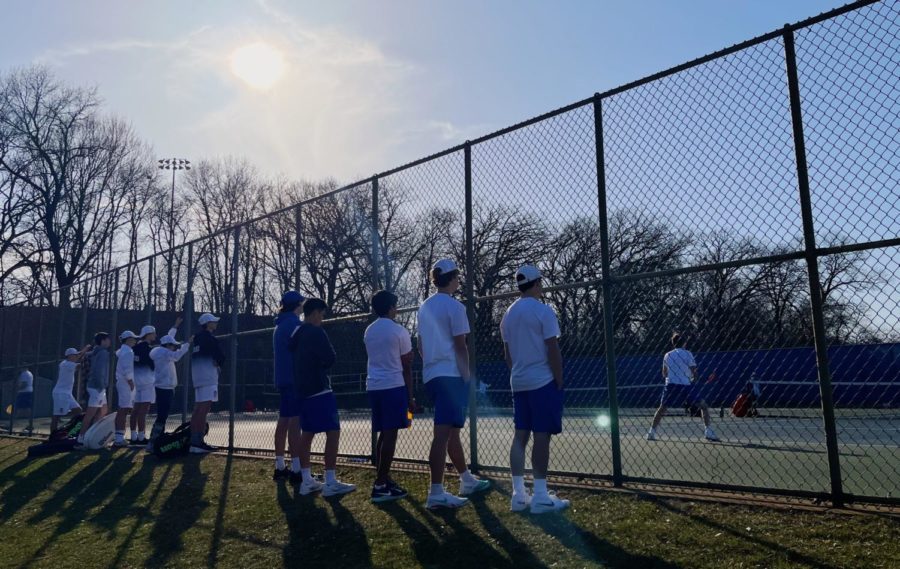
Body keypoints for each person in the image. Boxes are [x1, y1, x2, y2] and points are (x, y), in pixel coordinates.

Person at [417, 259, 489, 510]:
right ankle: (435, 493)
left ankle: (466, 479)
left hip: (433, 375)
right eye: (457, 276)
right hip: (450, 375)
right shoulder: (455, 308)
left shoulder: (424, 306)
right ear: (451, 278)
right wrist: (467, 377)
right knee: (441, 435)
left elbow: (421, 346)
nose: (460, 280)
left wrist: (432, 367)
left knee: (451, 433)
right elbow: (461, 346)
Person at [501, 265, 570, 514]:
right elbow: (552, 349)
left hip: (518, 382)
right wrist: (559, 378)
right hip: (542, 382)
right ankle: (540, 496)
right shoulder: (543, 312)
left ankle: (519, 496)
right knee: (542, 435)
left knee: (520, 435)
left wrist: (518, 373)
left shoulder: (508, 314)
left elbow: (507, 354)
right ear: (537, 283)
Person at [291, 298, 355, 497]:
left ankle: (306, 479)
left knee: (307, 432)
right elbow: (330, 358)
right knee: (333, 431)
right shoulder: (316, 332)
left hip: (302, 389)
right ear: (316, 313)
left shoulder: (297, 333)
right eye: (322, 314)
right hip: (319, 388)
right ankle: (330, 481)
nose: (322, 319)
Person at [365, 290, 415, 503]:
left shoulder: (369, 330)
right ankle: (380, 484)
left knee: (384, 434)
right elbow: (407, 365)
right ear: (389, 307)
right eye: (395, 305)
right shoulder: (399, 331)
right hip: (393, 386)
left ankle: (383, 479)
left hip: (374, 386)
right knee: (390, 435)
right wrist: (411, 396)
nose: (397, 309)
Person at [647, 332, 720, 442]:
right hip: (686, 385)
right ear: (684, 343)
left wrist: (675, 373)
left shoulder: (667, 355)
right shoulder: (688, 354)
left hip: (670, 385)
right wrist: (693, 379)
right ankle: (708, 432)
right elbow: (694, 371)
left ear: (673, 343)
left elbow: (664, 374)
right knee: (703, 406)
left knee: (662, 408)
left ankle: (651, 433)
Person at [272, 291, 305, 484]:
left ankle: (279, 465)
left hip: (283, 378)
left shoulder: (280, 324)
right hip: (294, 378)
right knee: (295, 421)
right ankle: (296, 467)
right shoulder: (294, 324)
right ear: (297, 305)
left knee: (284, 420)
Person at [148, 328, 191, 448]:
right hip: (165, 388)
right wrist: (187, 344)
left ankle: (157, 438)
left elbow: (168, 338)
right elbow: (177, 356)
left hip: (163, 387)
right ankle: (154, 440)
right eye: (173, 346)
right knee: (162, 415)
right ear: (168, 346)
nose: (174, 348)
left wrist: (175, 328)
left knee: (162, 414)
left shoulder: (160, 352)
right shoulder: (165, 353)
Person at [189, 313, 225, 454]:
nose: (215, 323)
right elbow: (220, 356)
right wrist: (219, 362)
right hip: (208, 377)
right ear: (207, 324)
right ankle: (198, 442)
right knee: (204, 409)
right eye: (213, 321)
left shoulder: (197, 339)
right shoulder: (209, 339)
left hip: (198, 378)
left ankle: (194, 441)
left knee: (198, 409)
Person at [76, 332, 112, 447]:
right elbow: (99, 371)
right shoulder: (103, 353)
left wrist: (85, 350)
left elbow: (85, 355)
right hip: (97, 387)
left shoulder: (95, 351)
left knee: (103, 410)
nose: (109, 342)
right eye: (108, 339)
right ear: (103, 341)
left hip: (98, 387)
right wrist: (101, 386)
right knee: (90, 413)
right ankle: (81, 438)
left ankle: (93, 435)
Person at [50, 346, 90, 433]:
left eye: (76, 355)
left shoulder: (69, 362)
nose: (76, 357)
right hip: (60, 393)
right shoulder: (66, 364)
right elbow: (79, 365)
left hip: (68, 393)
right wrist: (88, 357)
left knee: (78, 411)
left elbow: (79, 355)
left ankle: (72, 431)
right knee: (56, 416)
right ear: (69, 356)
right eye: (74, 355)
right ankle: (53, 436)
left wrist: (85, 349)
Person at [131, 325, 157, 445]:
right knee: (143, 411)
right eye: (153, 333)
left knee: (135, 410)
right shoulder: (148, 349)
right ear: (148, 335)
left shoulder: (134, 348)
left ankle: (133, 435)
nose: (155, 335)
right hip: (147, 382)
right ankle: (141, 437)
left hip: (136, 383)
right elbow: (153, 366)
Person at [113, 331, 138, 448]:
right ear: (128, 339)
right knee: (123, 410)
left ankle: (119, 436)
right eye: (133, 338)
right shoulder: (128, 352)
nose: (135, 340)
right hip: (125, 384)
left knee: (124, 409)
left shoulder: (123, 351)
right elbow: (126, 369)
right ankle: (118, 438)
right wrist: (131, 382)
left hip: (124, 383)